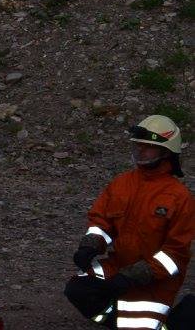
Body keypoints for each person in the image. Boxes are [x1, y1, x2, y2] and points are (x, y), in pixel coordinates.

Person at [66, 115, 193, 328]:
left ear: (166, 152)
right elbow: (101, 221)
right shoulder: (122, 184)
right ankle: (115, 320)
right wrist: (90, 246)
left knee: (154, 324)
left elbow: (175, 255)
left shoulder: (179, 197)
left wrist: (134, 276)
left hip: (155, 282)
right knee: (77, 289)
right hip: (119, 267)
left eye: (148, 147)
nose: (140, 151)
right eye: (138, 145)